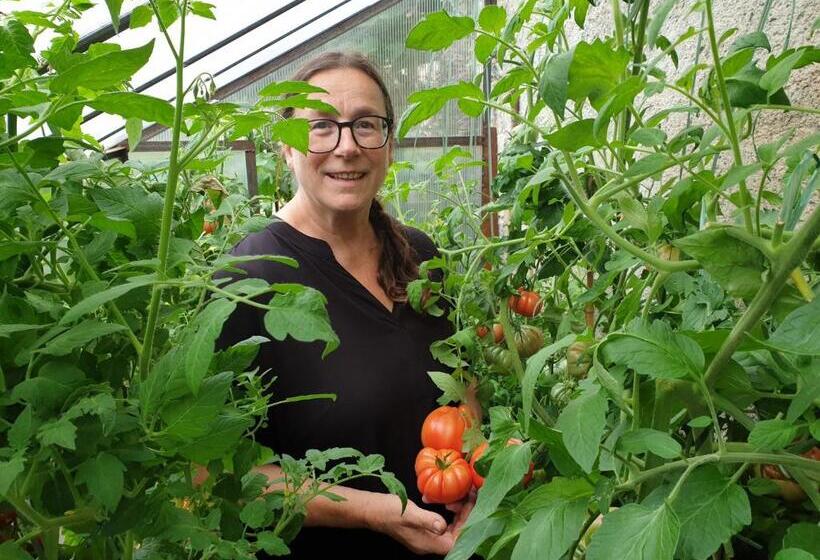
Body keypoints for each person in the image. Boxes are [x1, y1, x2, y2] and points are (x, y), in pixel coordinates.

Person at [216, 52, 474, 558]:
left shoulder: (423, 255)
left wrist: (477, 479)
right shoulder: (245, 280)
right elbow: (220, 471)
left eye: (365, 125)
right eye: (321, 128)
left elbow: (462, 386)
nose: (347, 146)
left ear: (389, 143)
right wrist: (372, 512)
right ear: (286, 149)